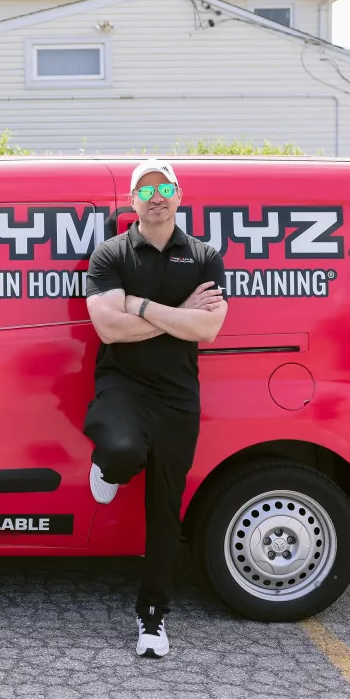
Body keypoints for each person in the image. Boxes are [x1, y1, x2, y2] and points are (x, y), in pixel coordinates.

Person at [83, 158, 228, 658]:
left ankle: (152, 616)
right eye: (145, 189)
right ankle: (109, 468)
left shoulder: (206, 256)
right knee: (122, 449)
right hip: (122, 384)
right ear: (132, 201)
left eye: (165, 186)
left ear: (180, 195)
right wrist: (177, 314)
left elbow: (207, 329)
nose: (156, 196)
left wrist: (140, 307)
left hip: (177, 396)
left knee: (165, 510)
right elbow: (110, 330)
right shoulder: (111, 254)